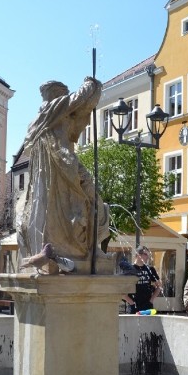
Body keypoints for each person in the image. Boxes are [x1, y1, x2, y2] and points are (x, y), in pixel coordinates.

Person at [15, 77, 111, 270]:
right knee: (89, 197)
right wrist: (90, 83)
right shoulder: (52, 107)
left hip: (61, 163)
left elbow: (81, 108)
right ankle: (90, 247)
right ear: (56, 93)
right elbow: (80, 98)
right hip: (63, 162)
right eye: (63, 93)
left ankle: (92, 246)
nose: (66, 97)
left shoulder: (45, 117)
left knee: (92, 199)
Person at [122, 246, 162, 314]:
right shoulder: (129, 269)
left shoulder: (150, 269)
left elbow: (159, 286)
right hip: (133, 306)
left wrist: (151, 300)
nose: (147, 257)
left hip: (147, 305)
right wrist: (131, 302)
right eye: (145, 254)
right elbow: (121, 290)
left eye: (148, 255)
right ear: (138, 255)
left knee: (148, 324)